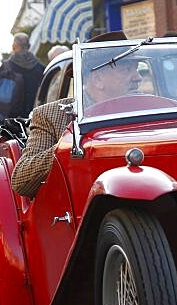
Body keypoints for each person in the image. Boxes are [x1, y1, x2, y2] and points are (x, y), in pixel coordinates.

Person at [11, 31, 133, 198]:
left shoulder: (149, 108)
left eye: (137, 69)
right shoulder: (50, 115)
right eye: (127, 70)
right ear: (98, 80)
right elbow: (21, 180)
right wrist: (67, 147)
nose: (138, 78)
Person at [0, 32, 44, 119]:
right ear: (29, 46)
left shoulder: (6, 67)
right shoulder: (41, 68)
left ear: (14, 46)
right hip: (35, 117)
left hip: (11, 118)